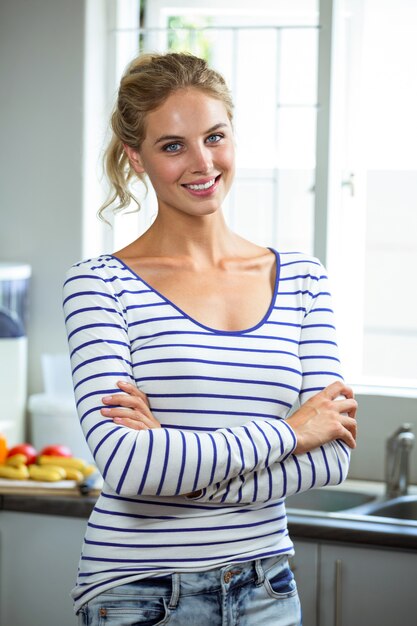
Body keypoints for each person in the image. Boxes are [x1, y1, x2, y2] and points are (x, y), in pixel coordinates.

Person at [63, 51, 357, 626]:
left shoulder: (301, 279)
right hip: (138, 593)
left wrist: (177, 475)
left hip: (266, 588)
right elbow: (127, 468)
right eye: (172, 145)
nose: (202, 162)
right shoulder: (99, 285)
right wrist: (290, 431)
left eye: (214, 137)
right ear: (136, 158)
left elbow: (333, 456)